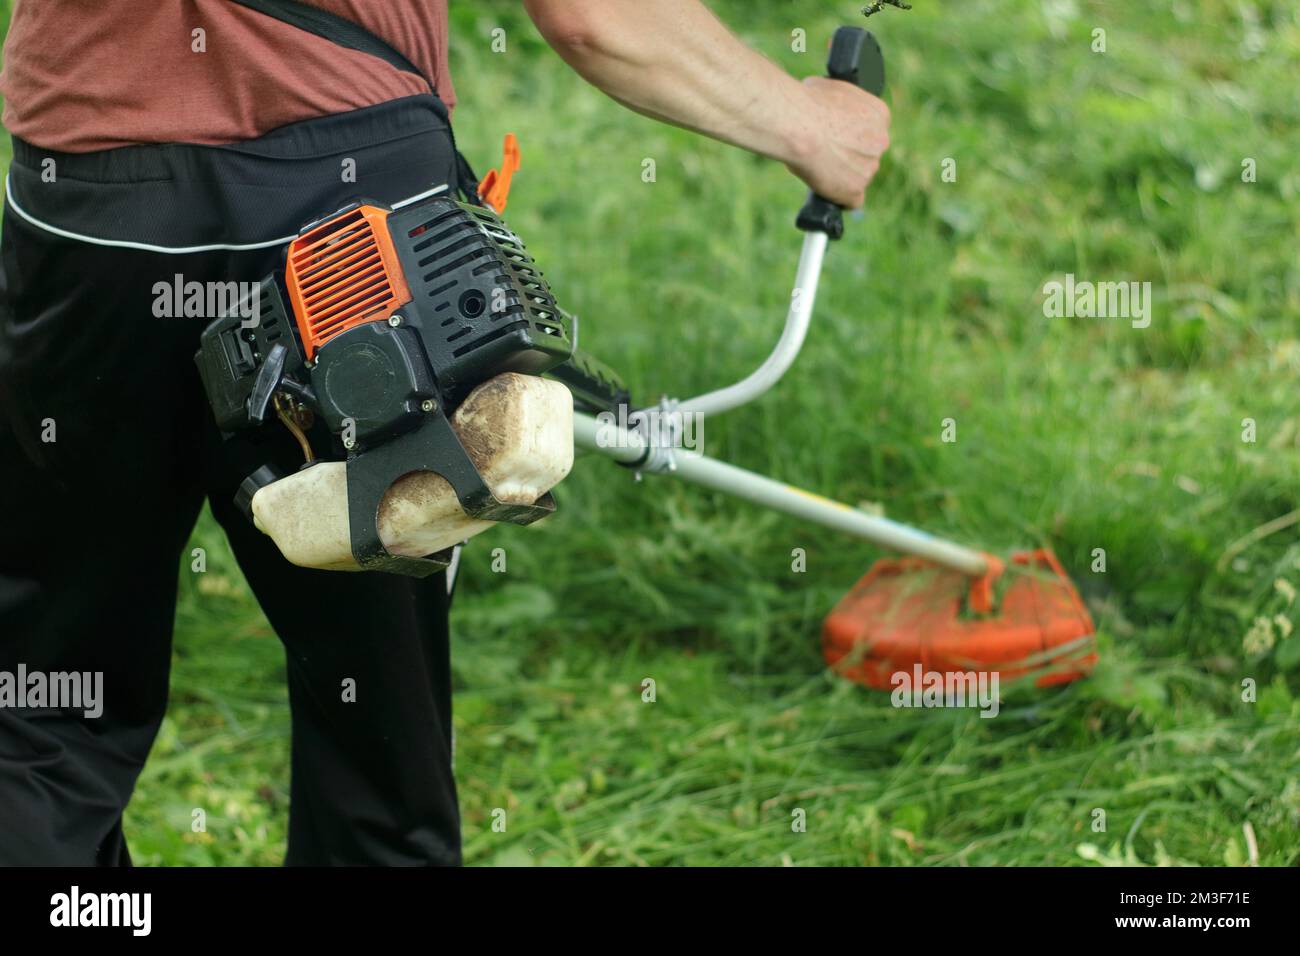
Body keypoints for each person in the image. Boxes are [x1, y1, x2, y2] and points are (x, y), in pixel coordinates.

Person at [0, 0, 890, 866]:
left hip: (91, 214)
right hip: (349, 223)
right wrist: (815, 126)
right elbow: (594, 16)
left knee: (50, 715)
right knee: (377, 738)